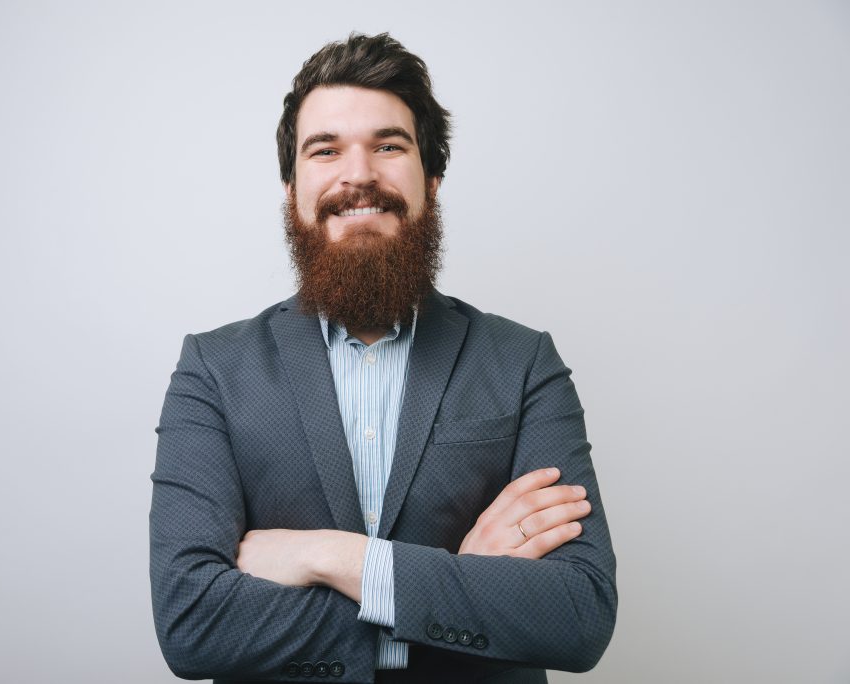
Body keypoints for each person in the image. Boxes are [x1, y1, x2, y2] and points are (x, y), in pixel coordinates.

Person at [150, 33, 617, 683]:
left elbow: (579, 615)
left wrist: (328, 556)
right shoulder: (213, 370)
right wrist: (456, 584)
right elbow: (191, 623)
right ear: (292, 187)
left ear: (431, 178)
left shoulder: (522, 363)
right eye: (326, 150)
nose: (359, 174)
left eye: (389, 146)